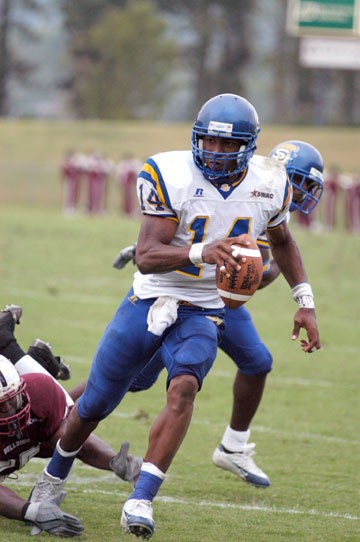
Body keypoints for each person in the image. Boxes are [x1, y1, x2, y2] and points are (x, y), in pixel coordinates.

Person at [31, 94, 320, 539]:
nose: (216, 152)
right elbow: (147, 256)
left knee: (184, 386)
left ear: (249, 146)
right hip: (151, 299)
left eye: (228, 146)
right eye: (209, 142)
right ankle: (51, 479)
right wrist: (206, 251)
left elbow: (282, 241)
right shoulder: (170, 172)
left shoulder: (271, 181)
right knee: (95, 404)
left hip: (205, 308)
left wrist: (304, 301)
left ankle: (141, 498)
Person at [112, 140, 325, 489]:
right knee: (133, 378)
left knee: (257, 362)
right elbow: (206, 240)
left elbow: (263, 269)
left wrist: (282, 287)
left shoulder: (271, 205)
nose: (306, 192)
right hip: (191, 298)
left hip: (224, 302)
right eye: (304, 182)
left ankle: (233, 446)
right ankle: (65, 409)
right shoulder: (255, 192)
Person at [0, 306, 142, 535]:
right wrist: (29, 510)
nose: (8, 411)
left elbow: (71, 436)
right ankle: (20, 351)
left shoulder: (37, 390)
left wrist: (113, 461)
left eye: (11, 399)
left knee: (64, 429)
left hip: (33, 411)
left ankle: (17, 350)